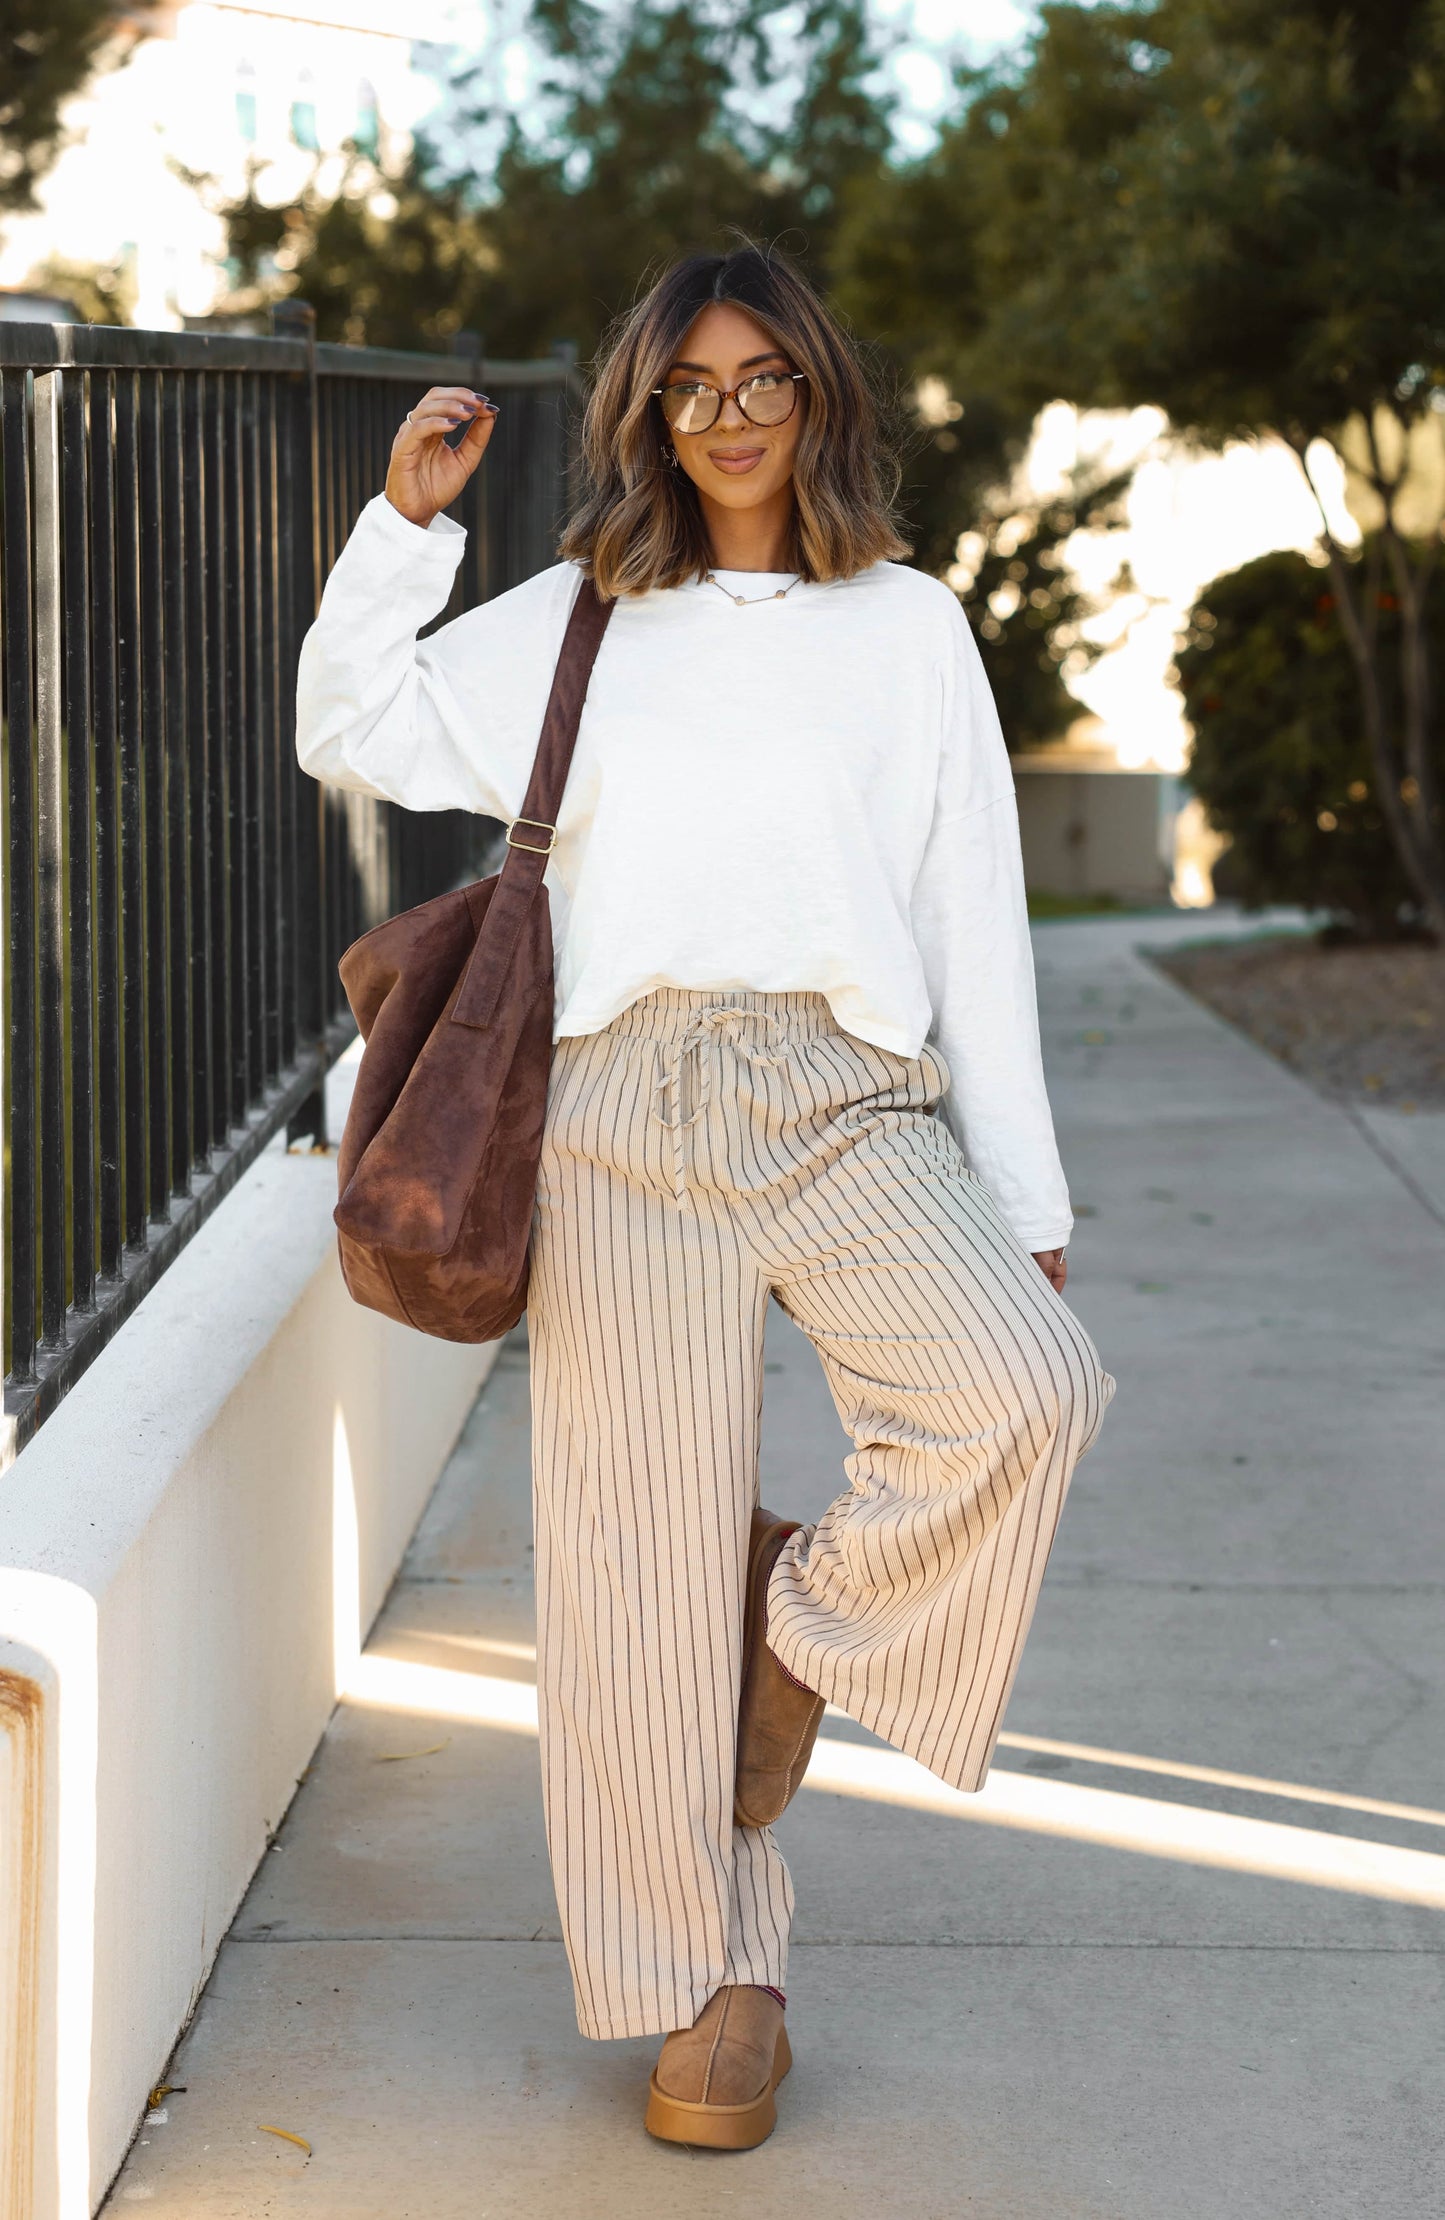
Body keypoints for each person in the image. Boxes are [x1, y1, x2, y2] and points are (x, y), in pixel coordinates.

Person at [296, 241, 1114, 2152]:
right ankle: (709, 1982)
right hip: (616, 1099)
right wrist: (403, 531)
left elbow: (968, 911)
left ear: (817, 392)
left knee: (1024, 1390)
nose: (728, 417)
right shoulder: (587, 611)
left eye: (761, 380)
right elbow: (353, 728)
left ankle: (796, 1627)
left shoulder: (906, 627)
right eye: (689, 388)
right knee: (629, 1569)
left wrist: (1023, 1191)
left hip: (844, 1092)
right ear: (649, 415)